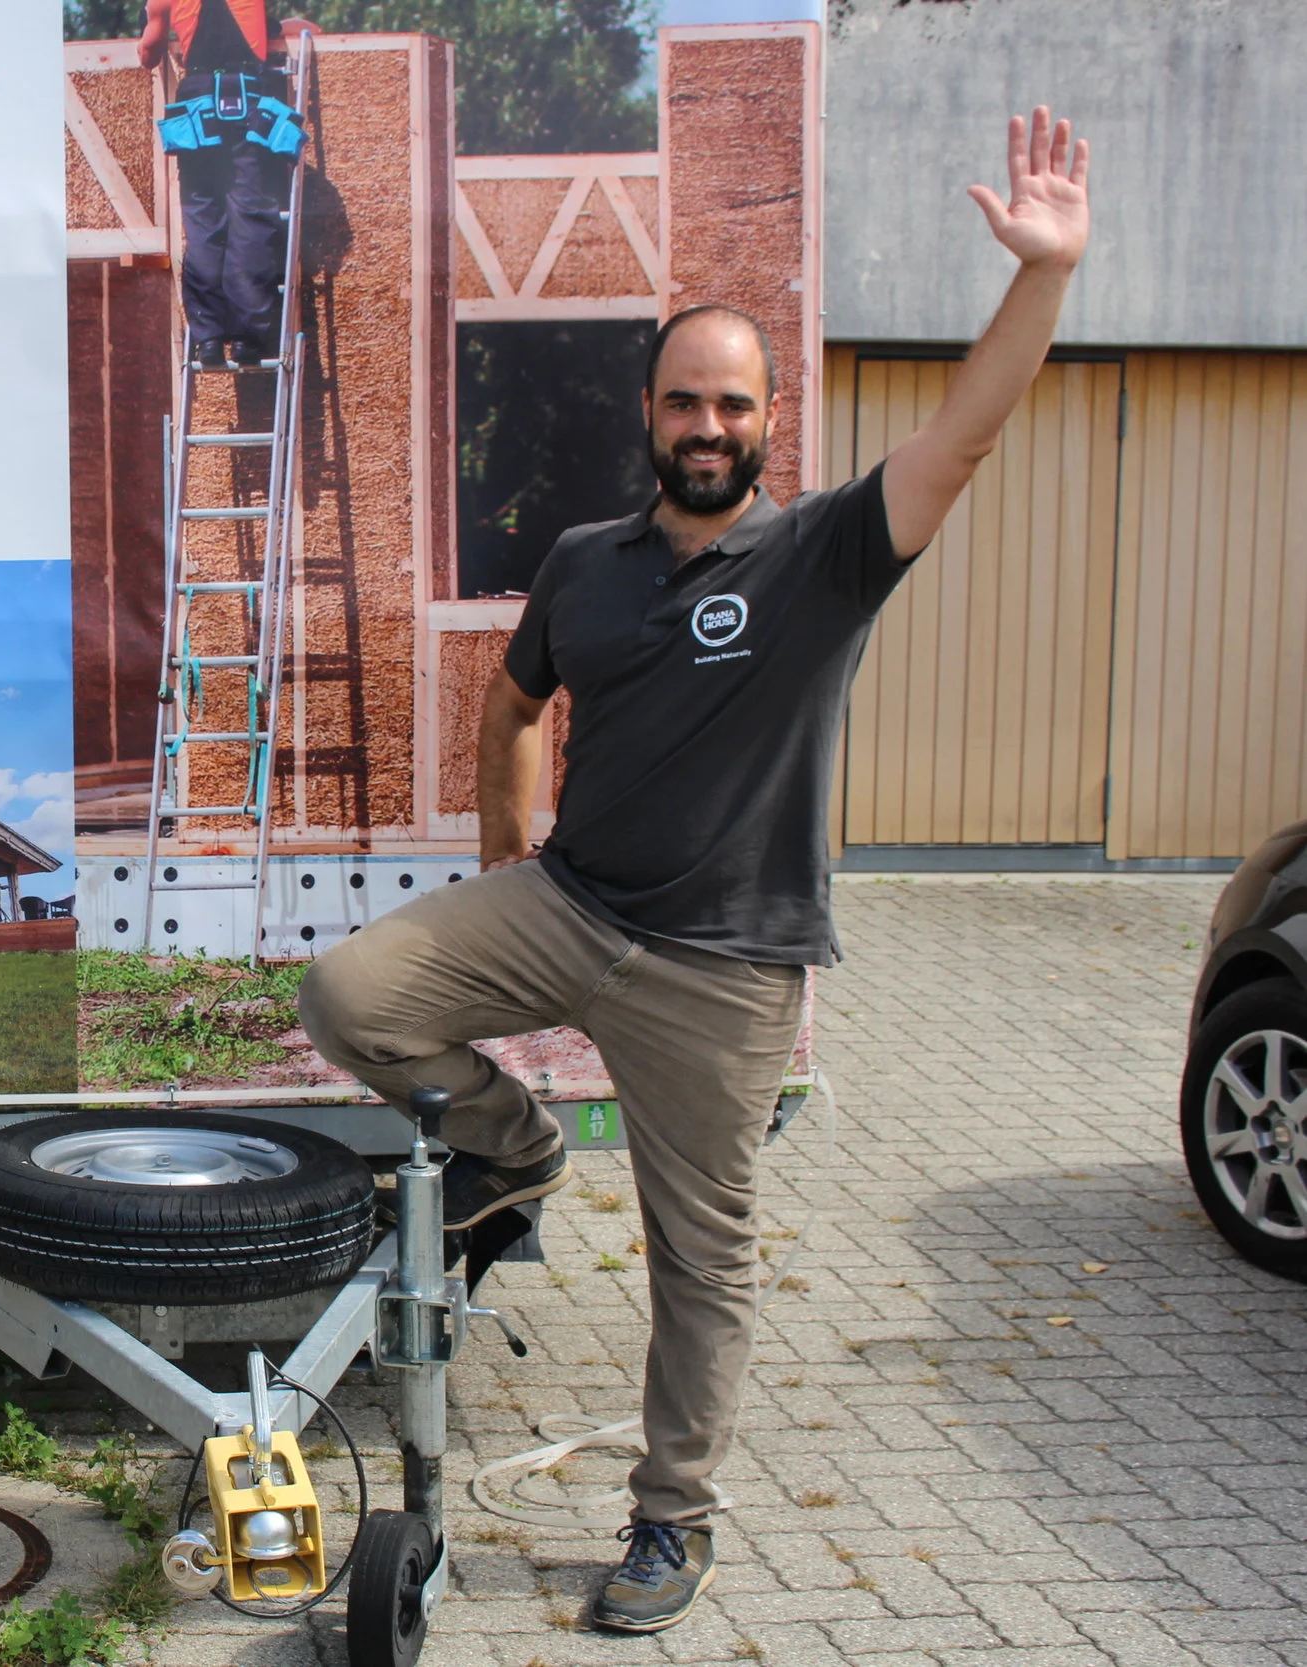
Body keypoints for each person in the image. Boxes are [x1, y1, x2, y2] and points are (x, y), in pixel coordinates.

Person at [297, 109, 1091, 1634]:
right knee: (354, 988)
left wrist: (1042, 278)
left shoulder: (828, 557)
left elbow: (971, 428)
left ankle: (675, 1518)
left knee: (699, 1254)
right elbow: (515, 701)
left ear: (769, 415)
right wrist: (497, 856)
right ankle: (516, 1149)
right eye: (683, 402)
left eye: (733, 403)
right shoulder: (588, 559)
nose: (707, 425)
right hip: (569, 902)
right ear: (647, 411)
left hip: (725, 967)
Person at [137, 0, 313, 368]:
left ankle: (209, 339)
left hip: (198, 102)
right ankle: (249, 339)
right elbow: (270, 27)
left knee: (203, 221)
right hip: (249, 97)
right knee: (250, 216)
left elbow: (148, 54)